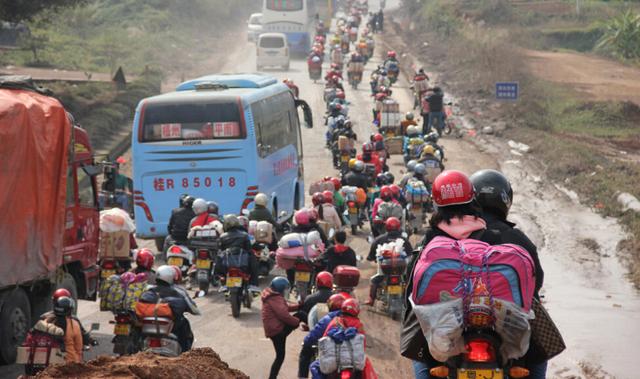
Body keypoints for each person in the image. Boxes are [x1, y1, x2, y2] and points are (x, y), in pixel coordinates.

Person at [400, 170, 503, 378]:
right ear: (473, 200)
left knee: (422, 355)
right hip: (491, 321)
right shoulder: (494, 237)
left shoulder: (428, 243)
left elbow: (410, 290)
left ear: (436, 204)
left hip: (444, 327)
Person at [470, 169, 547, 379]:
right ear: (505, 200)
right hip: (508, 321)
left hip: (460, 320)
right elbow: (536, 281)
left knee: (424, 351)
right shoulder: (518, 238)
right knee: (540, 352)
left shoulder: (453, 233)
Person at [141, 265, 200, 352]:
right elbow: (194, 310)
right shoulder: (179, 291)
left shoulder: (147, 289)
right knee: (184, 323)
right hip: (170, 327)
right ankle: (185, 353)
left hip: (148, 326)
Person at [261, 277, 303, 379]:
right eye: (285, 289)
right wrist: (297, 322)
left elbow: (284, 308)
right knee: (301, 315)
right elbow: (284, 315)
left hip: (273, 330)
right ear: (280, 288)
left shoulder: (272, 296)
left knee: (280, 356)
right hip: (277, 332)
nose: (286, 291)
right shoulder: (275, 298)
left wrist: (298, 306)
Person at [365, 217, 412, 305]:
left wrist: (371, 257)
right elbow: (410, 254)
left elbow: (371, 254)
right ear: (399, 227)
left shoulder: (379, 239)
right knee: (409, 281)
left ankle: (371, 300)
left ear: (386, 227)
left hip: (384, 271)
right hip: (401, 270)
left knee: (374, 281)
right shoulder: (404, 240)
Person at [298, 294, 346, 378]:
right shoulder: (353, 320)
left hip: (331, 355)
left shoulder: (328, 319)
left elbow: (314, 335)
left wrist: (306, 342)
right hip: (348, 357)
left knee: (312, 364)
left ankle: (303, 376)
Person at [219, 214, 260, 292]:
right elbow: (249, 249)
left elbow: (221, 250)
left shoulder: (222, 237)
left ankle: (223, 283)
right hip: (243, 263)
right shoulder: (244, 235)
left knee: (219, 256)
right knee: (252, 257)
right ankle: (253, 284)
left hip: (227, 263)